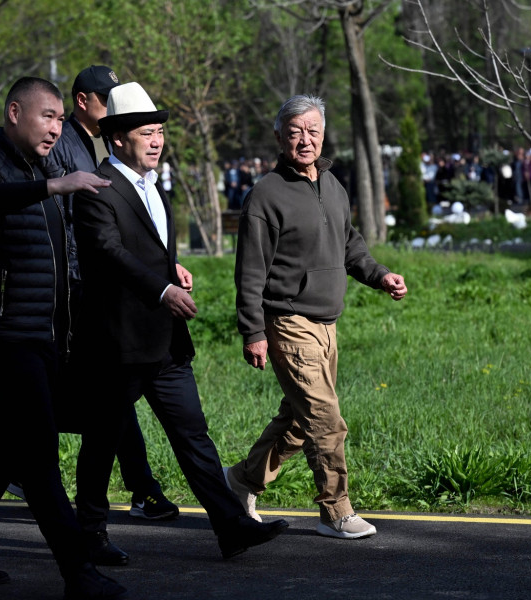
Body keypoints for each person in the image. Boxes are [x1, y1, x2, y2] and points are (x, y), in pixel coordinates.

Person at [72, 82, 289, 560]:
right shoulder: (97, 191)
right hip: (119, 345)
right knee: (102, 444)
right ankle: (88, 537)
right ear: (117, 139)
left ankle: (232, 527)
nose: (157, 141)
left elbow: (147, 248)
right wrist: (162, 287)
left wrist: (171, 269)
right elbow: (107, 253)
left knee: (194, 436)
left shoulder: (154, 188)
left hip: (166, 342)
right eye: (147, 133)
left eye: (159, 132)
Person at [0, 76, 126, 600]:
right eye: (48, 117)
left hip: (47, 334)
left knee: (9, 445)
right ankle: (76, 571)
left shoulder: (49, 167)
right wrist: (51, 187)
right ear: (15, 112)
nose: (57, 128)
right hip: (2, 332)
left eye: (62, 119)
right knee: (39, 451)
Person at [225, 95, 408, 540]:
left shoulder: (332, 184)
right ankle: (336, 509)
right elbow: (249, 272)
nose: (304, 140)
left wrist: (381, 276)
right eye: (295, 131)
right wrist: (253, 331)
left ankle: (240, 481)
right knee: (326, 420)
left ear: (323, 135)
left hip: (327, 325)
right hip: (288, 322)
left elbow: (350, 246)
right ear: (279, 137)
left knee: (297, 421)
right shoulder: (265, 196)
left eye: (313, 131)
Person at [49, 64, 179, 529]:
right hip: (82, 291)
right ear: (83, 101)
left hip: (105, 292)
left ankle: (141, 488)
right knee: (98, 412)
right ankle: (95, 506)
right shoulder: (66, 145)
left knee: (110, 408)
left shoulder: (94, 146)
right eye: (107, 98)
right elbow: (78, 225)